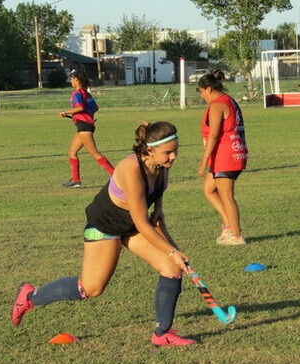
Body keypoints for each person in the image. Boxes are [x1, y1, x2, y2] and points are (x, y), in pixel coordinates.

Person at [12, 121, 197, 346]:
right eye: (168, 152)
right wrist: (172, 251)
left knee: (171, 269)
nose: (174, 156)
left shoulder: (162, 165)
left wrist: (159, 212)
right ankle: (29, 297)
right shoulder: (131, 169)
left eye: (176, 150)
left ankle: (162, 334)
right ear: (149, 150)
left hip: (130, 226)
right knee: (90, 288)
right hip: (105, 227)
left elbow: (154, 200)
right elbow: (142, 223)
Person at [197, 70, 248, 246]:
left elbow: (213, 135)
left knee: (227, 197)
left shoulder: (217, 105)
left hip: (226, 156)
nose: (202, 96)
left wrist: (203, 161)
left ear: (209, 89)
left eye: (202, 92)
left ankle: (236, 235)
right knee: (209, 189)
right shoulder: (229, 100)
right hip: (233, 152)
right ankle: (228, 226)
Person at [59, 70, 113, 188]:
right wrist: (88, 116)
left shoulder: (77, 93)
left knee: (94, 154)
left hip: (84, 126)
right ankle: (75, 180)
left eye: (72, 79)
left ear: (77, 80)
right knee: (72, 152)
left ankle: (116, 176)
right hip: (85, 125)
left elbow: (80, 107)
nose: (71, 81)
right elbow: (95, 107)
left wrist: (66, 112)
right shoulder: (86, 93)